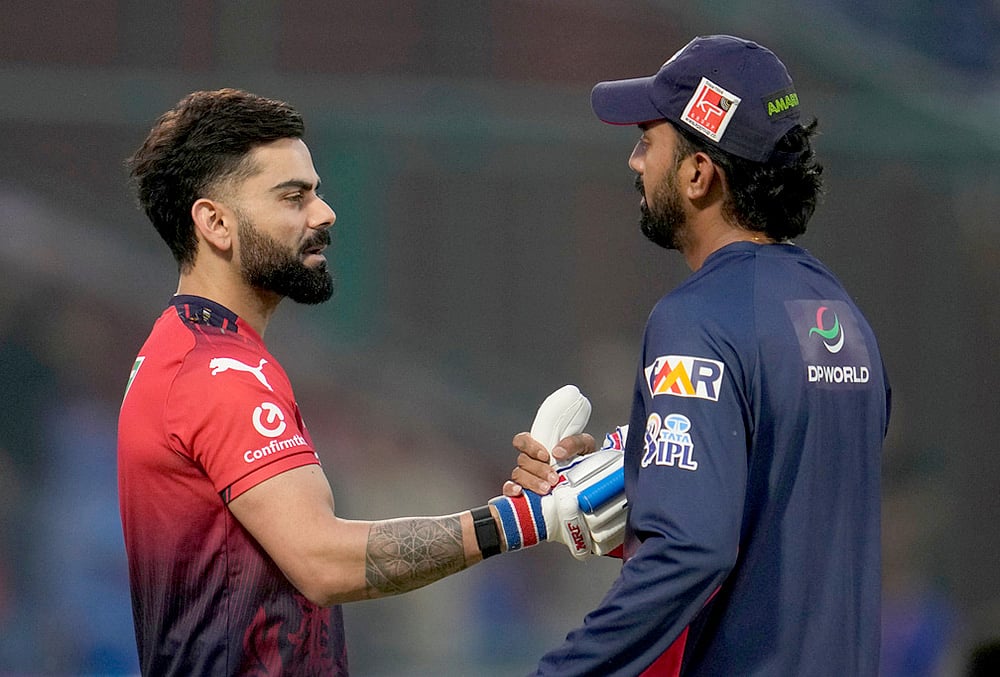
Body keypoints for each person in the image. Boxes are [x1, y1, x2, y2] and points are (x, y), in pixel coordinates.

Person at [116, 88, 618, 675]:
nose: (324, 213)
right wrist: (523, 520)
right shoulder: (219, 372)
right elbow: (323, 561)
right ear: (216, 223)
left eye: (317, 191)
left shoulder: (187, 351)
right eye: (293, 196)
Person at [506, 35, 891, 675]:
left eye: (646, 141)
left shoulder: (697, 319)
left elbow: (692, 551)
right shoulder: (842, 317)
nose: (633, 161)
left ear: (698, 173)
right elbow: (781, 503)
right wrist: (631, 462)